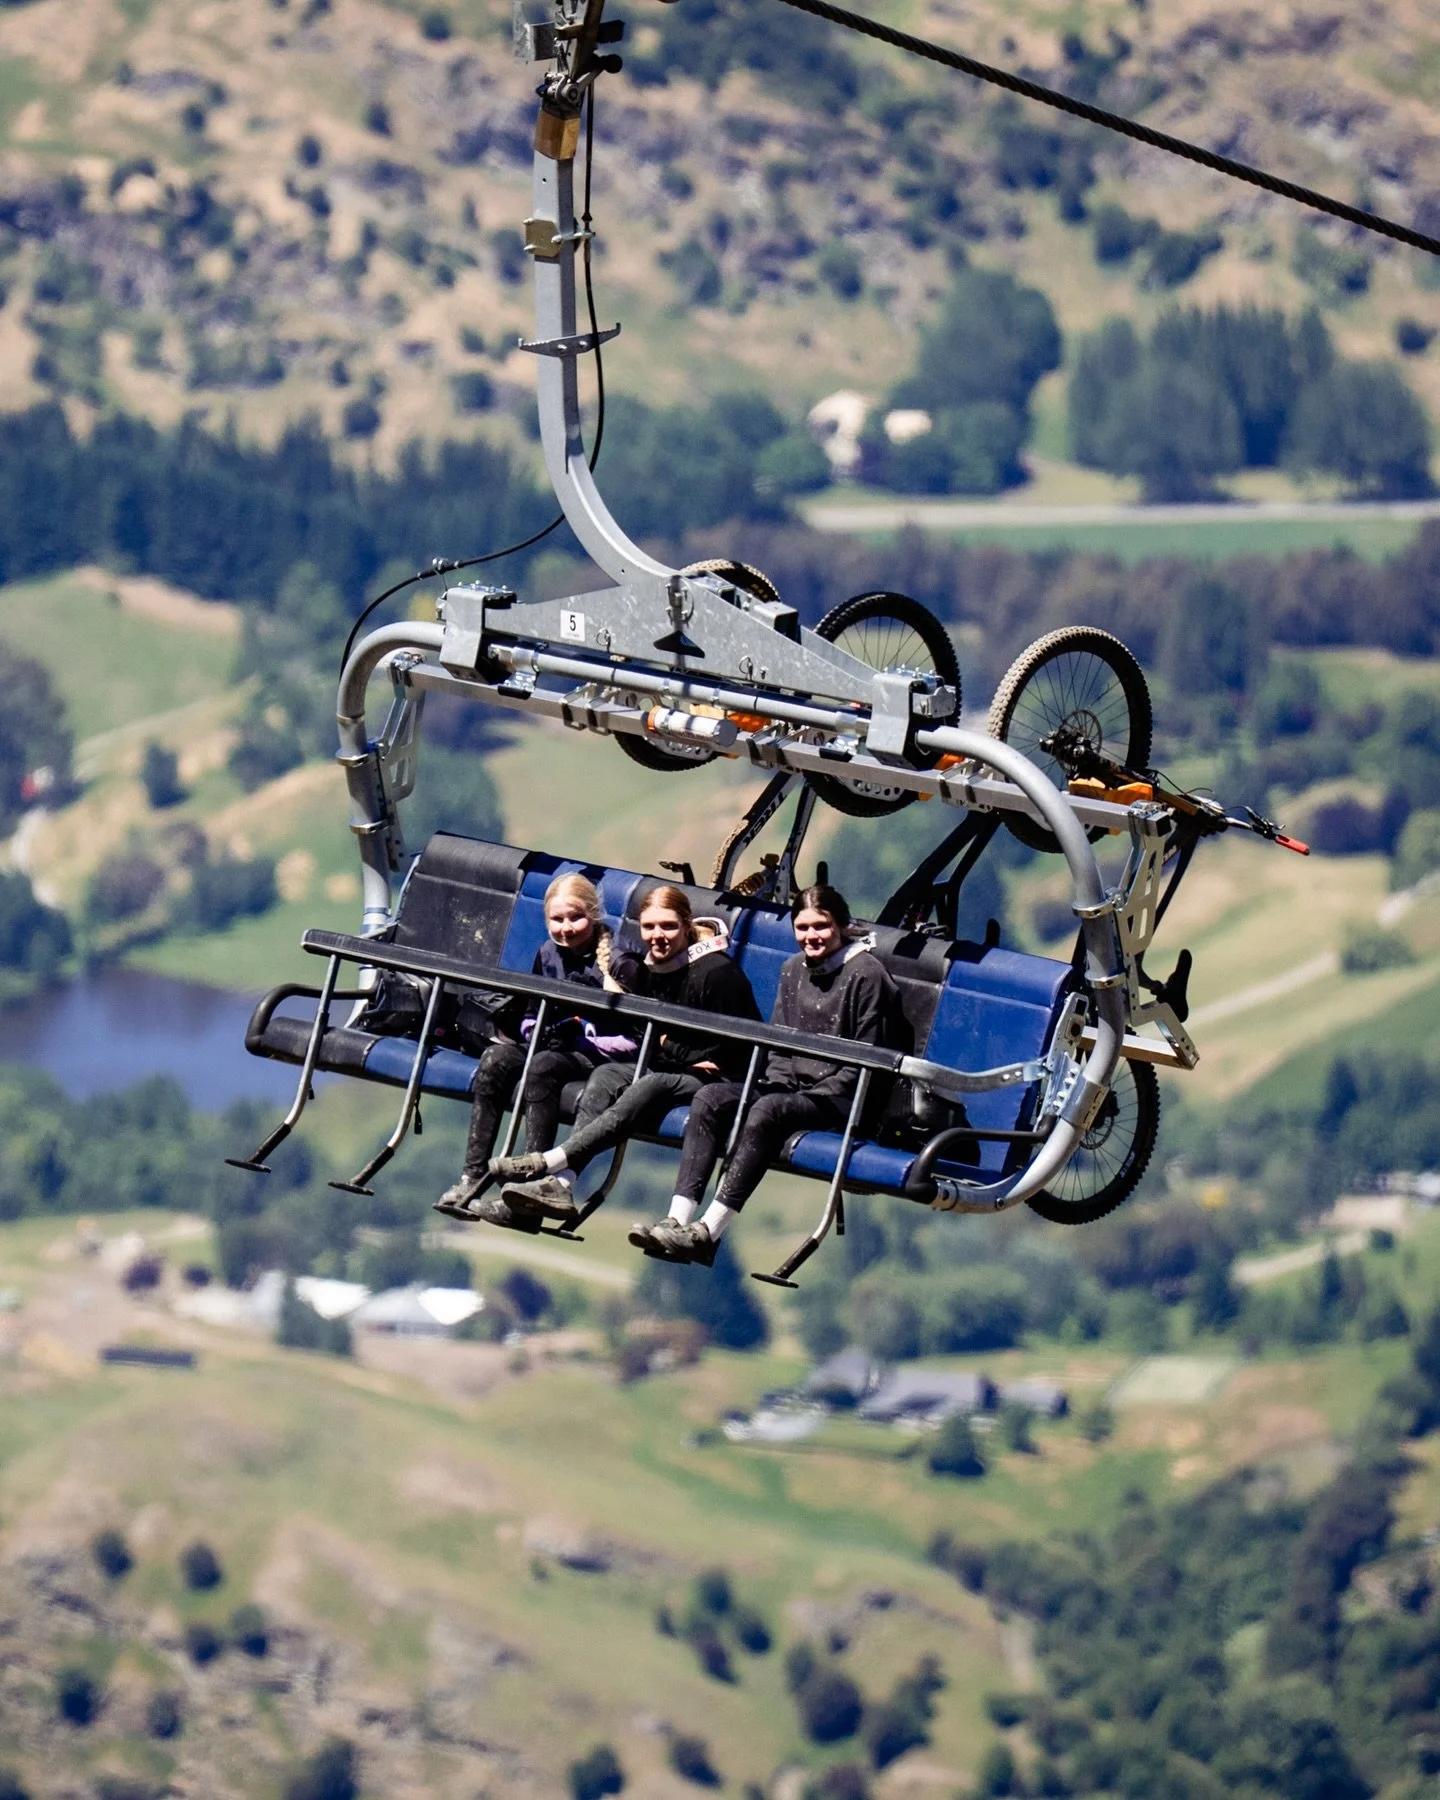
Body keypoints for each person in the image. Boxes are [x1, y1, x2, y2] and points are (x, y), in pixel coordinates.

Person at [629, 884, 898, 1266]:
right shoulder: (793, 970)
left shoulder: (867, 976)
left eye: (820, 926)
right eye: (802, 927)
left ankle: (709, 1231)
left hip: (841, 1097)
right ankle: (677, 1219)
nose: (811, 936)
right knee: (711, 1098)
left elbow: (866, 1055)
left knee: (769, 1110)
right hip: (791, 1089)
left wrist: (803, 1094)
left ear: (840, 926)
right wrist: (780, 1082)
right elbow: (779, 1043)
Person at [485, 883, 760, 1227]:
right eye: (649, 927)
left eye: (668, 926)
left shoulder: (716, 974)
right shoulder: (654, 969)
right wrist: (662, 1043)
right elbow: (651, 1034)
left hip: (717, 1075)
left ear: (687, 925)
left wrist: (667, 1046)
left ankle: (548, 1162)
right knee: (606, 1076)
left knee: (651, 1085)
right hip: (672, 1062)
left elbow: (734, 1049)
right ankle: (561, 1185)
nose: (658, 936)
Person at [435, 872, 635, 1221]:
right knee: (496, 1059)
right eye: (557, 920)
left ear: (594, 914)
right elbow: (529, 1013)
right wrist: (537, 1032)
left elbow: (636, 1040)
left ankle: (528, 1191)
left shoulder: (621, 962)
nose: (566, 928)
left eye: (575, 918)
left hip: (596, 1056)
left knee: (543, 1067)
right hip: (555, 1045)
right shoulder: (548, 954)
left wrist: (580, 1038)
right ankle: (471, 1178)